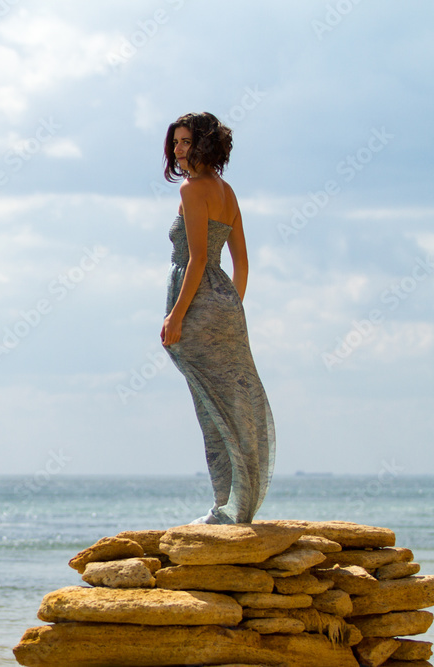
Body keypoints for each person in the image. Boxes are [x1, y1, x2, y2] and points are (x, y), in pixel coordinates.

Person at [160, 112, 275, 525]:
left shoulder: (193, 192)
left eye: (186, 142)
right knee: (233, 405)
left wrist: (177, 315)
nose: (178, 149)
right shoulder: (227, 192)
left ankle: (224, 508)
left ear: (205, 144)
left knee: (211, 408)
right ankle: (236, 505)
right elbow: (241, 262)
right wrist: (232, 307)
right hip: (226, 305)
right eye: (175, 142)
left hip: (196, 304)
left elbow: (197, 260)